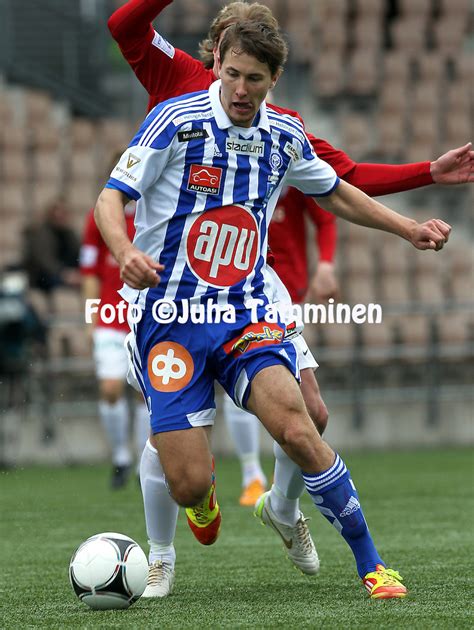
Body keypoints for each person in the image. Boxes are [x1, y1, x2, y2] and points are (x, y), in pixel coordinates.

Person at [107, 0, 474, 592]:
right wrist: (126, 250)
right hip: (168, 297)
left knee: (309, 420)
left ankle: (332, 539)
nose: (241, 84)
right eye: (231, 63)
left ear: (274, 69)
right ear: (217, 51)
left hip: (252, 292)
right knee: (184, 467)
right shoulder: (179, 90)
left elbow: (343, 180)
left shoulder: (284, 127)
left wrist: (423, 184)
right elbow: (124, 27)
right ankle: (171, 536)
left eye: (256, 71)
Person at [80, 195, 150, 489]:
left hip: (147, 315)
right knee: (110, 388)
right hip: (110, 317)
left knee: (144, 393)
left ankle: (143, 461)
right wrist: (90, 316)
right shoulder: (98, 217)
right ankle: (121, 456)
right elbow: (89, 270)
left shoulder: (154, 211)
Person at [23, 197, 81, 296]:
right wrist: (64, 274)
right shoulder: (42, 233)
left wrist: (79, 273)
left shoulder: (69, 234)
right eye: (58, 212)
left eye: (64, 212)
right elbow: (45, 261)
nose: (61, 216)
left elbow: (79, 254)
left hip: (67, 273)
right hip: (45, 276)